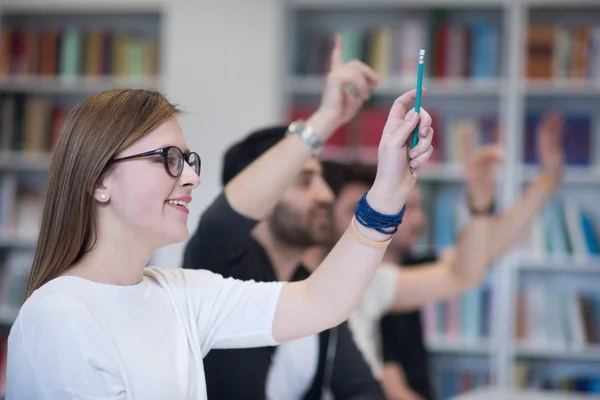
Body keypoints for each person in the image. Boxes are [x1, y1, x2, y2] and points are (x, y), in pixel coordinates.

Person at [5, 36, 436, 398]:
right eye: (167, 159)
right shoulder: (59, 316)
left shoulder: (180, 295)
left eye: (189, 159)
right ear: (99, 181)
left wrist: (388, 190)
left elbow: (320, 301)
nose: (191, 176)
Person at [180, 37, 435, 399]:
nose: (326, 195)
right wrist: (328, 116)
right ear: (262, 192)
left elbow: (362, 390)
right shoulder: (217, 264)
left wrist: (392, 187)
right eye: (304, 180)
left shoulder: (310, 287)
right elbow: (223, 220)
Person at [305, 111, 566, 400]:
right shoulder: (348, 286)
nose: (419, 219)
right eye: (407, 207)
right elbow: (392, 391)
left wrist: (540, 183)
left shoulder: (391, 275)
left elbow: (478, 259)